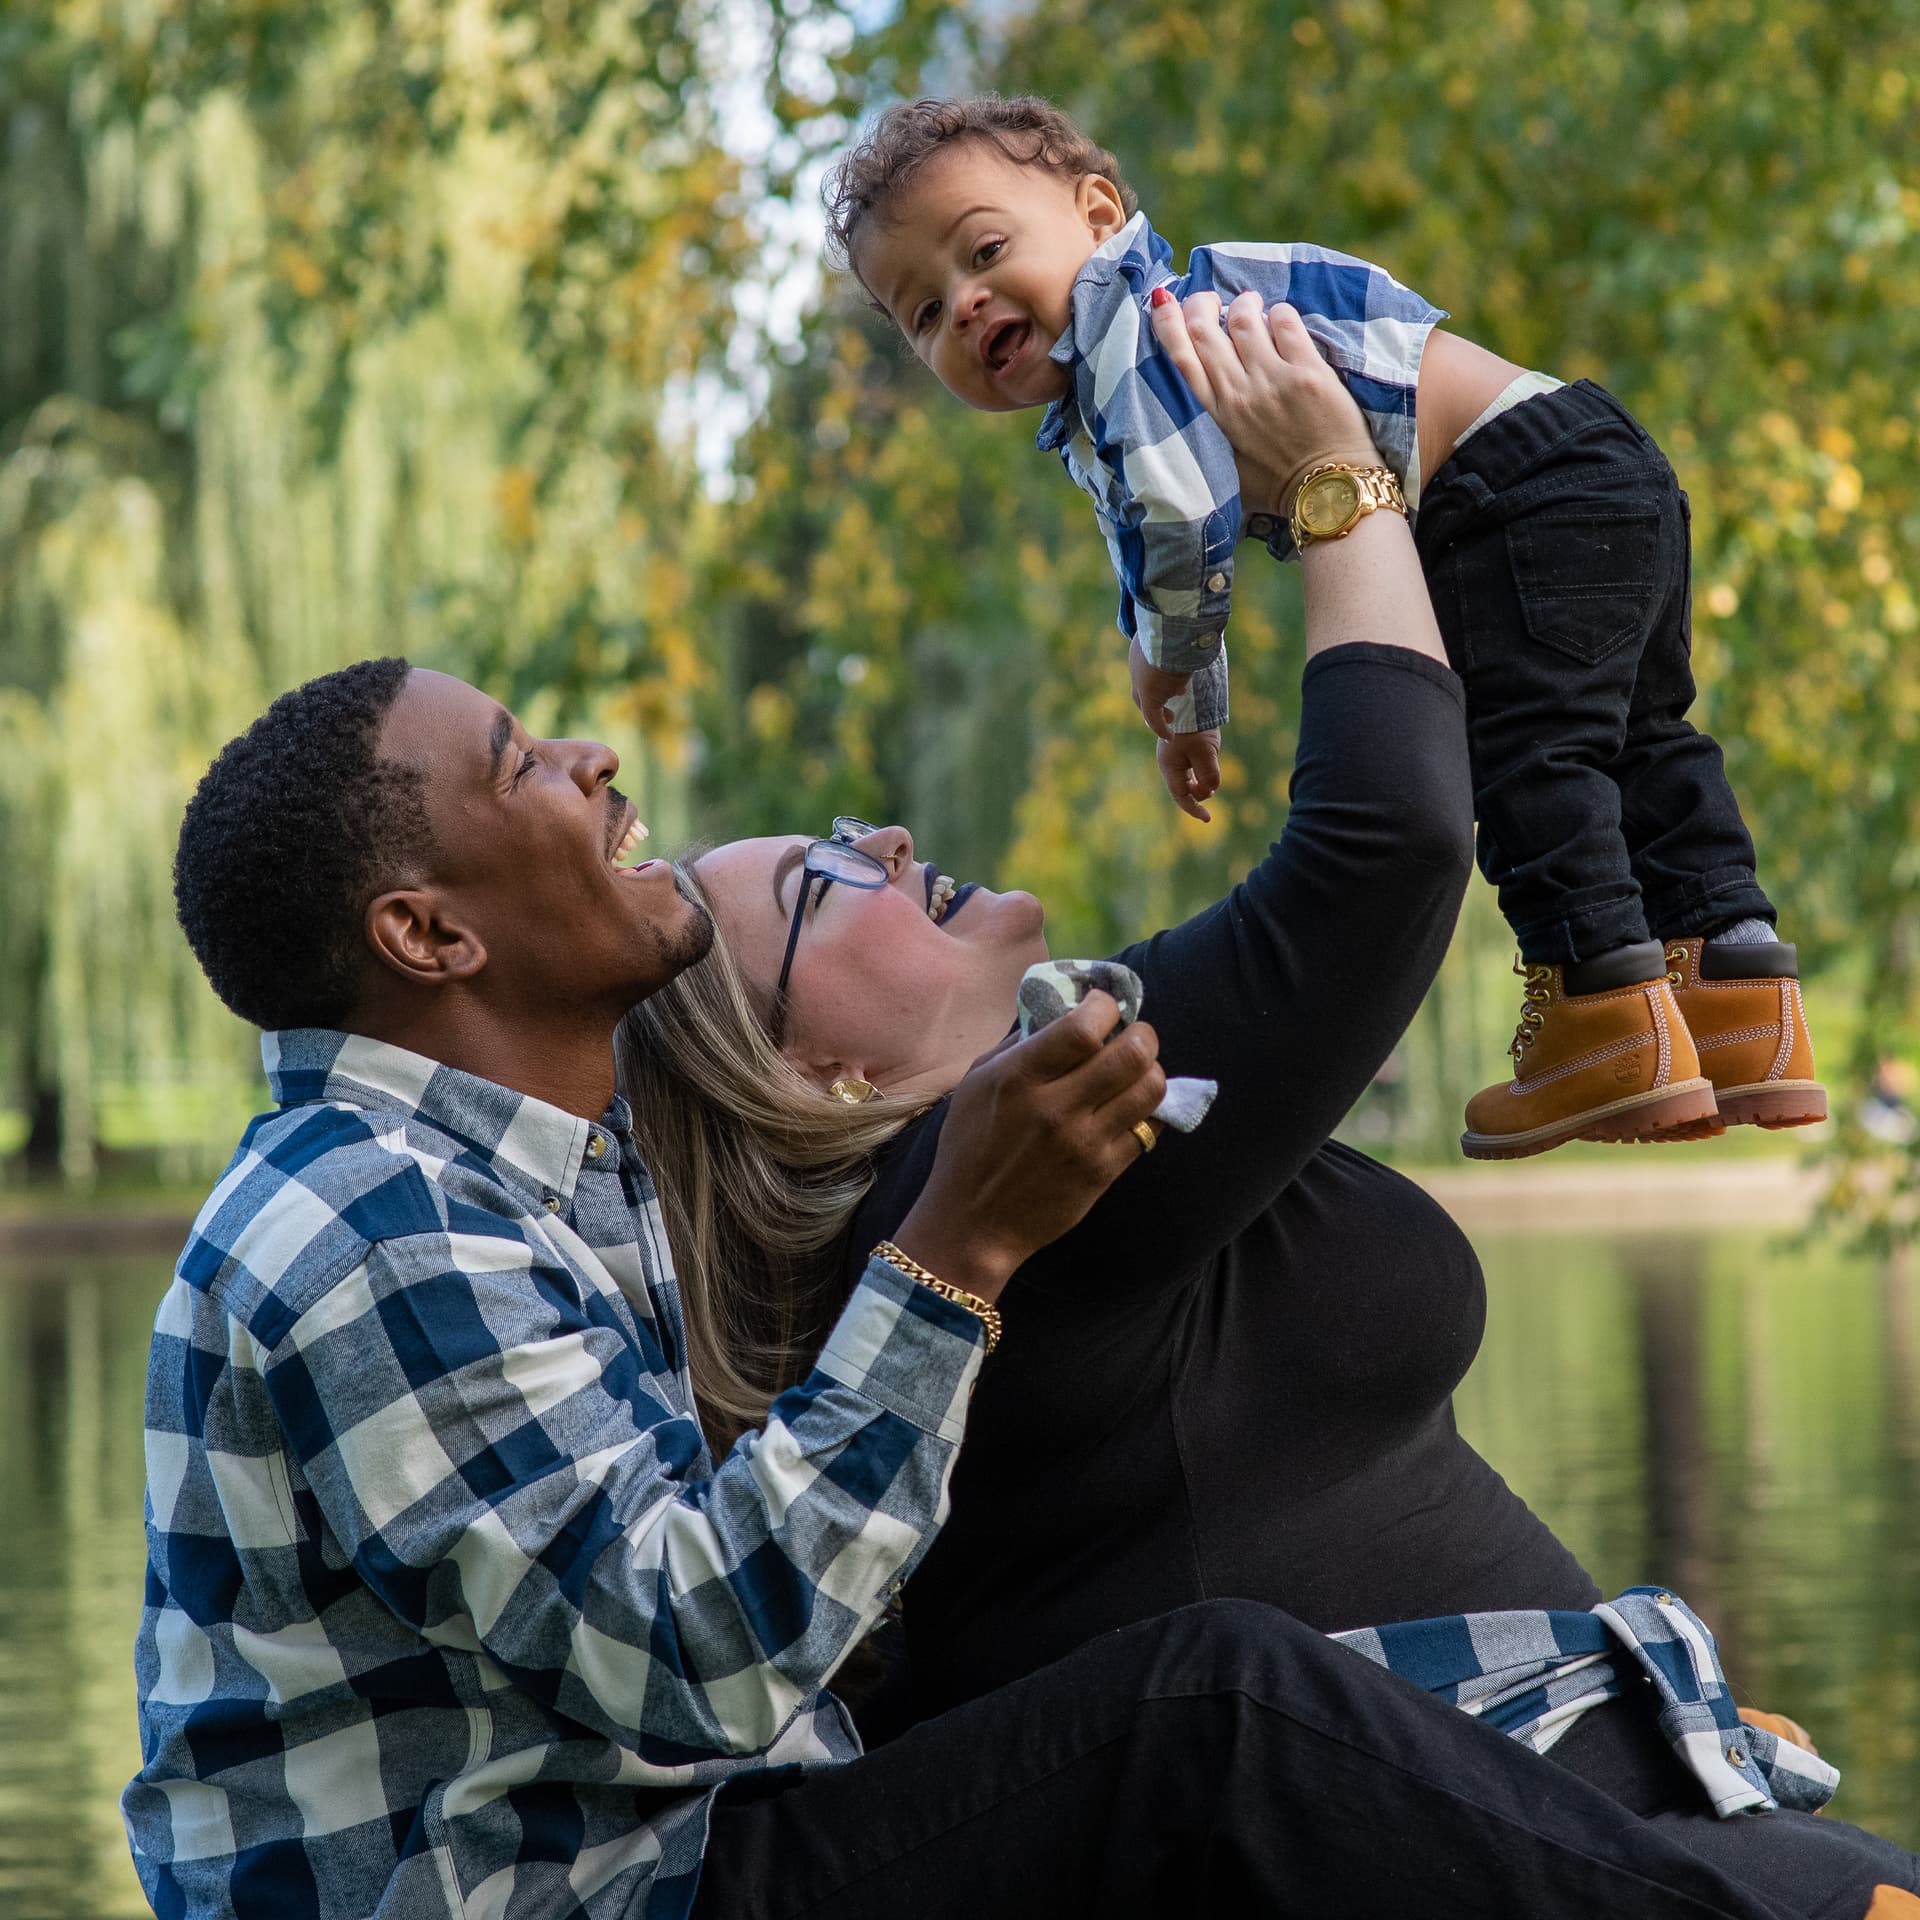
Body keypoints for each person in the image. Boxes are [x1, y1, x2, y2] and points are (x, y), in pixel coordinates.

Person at [122, 661, 1807, 1920]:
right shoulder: (366, 1221)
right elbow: (695, 1657)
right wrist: (962, 1248)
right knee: (1208, 1712)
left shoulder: (534, 1176)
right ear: (428, 936)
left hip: (692, 1851)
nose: (592, 757)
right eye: (521, 766)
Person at [617, 297, 1920, 1916]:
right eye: (819, 886)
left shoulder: (1021, 1145)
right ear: (807, 1076)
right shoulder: (1005, 1168)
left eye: (840, 829)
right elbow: (1381, 853)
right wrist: (1337, 480)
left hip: (1637, 1837)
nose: (877, 838)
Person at [819, 92, 1826, 1160]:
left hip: (1505, 495)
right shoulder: (1153, 326)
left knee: (1534, 756)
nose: (965, 303)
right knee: (1645, 741)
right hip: (1595, 459)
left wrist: (1168, 658)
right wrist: (1192, 709)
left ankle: (1598, 1014)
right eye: (923, 313)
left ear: (1101, 213)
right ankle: (1738, 996)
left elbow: (1183, 513)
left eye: (983, 251)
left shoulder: (1136, 331)